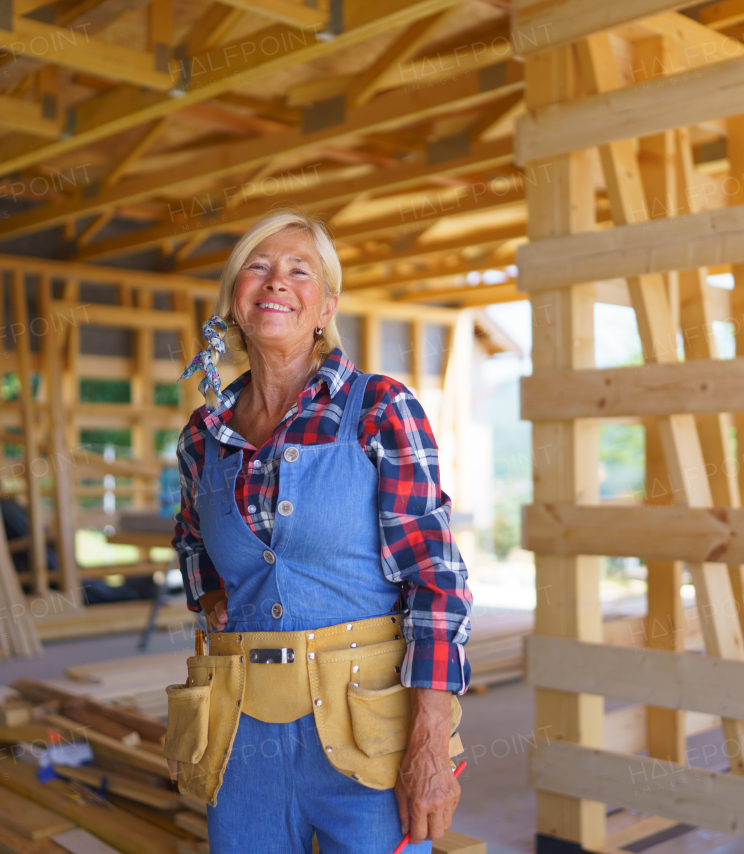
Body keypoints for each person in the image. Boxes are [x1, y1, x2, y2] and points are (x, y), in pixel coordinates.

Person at [164, 209, 472, 854]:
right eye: (259, 266)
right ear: (236, 301)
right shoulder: (203, 434)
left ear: (325, 306)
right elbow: (192, 537)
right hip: (241, 731)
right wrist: (212, 595)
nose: (276, 281)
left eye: (299, 271)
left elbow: (435, 581)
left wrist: (430, 743)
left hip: (366, 728)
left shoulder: (380, 407)